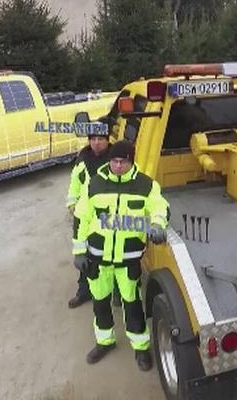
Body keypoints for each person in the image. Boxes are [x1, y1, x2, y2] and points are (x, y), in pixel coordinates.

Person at [73, 140, 169, 368]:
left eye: (123, 162)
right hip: (97, 258)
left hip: (128, 260)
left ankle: (141, 348)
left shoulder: (146, 185)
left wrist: (157, 224)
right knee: (100, 303)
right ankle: (104, 342)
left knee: (132, 304)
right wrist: (79, 251)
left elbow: (160, 207)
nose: (117, 166)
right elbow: (81, 217)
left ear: (131, 161)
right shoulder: (94, 183)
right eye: (114, 161)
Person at [66, 120, 112, 309]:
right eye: (93, 139)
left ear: (108, 139)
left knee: (110, 253)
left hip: (108, 215)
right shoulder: (83, 158)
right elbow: (75, 182)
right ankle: (84, 291)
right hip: (86, 214)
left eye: (101, 139)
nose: (96, 143)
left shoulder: (116, 159)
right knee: (85, 255)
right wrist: (71, 202)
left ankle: (114, 291)